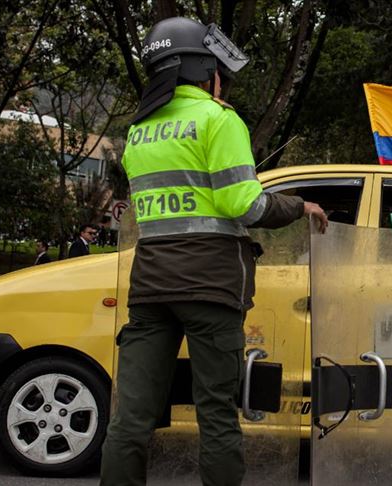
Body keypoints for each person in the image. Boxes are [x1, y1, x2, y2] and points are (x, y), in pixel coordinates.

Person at [100, 17, 328, 486]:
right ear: (206, 70)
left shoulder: (139, 133)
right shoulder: (217, 120)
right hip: (210, 287)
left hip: (150, 288)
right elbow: (242, 204)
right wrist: (297, 205)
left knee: (131, 418)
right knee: (216, 415)